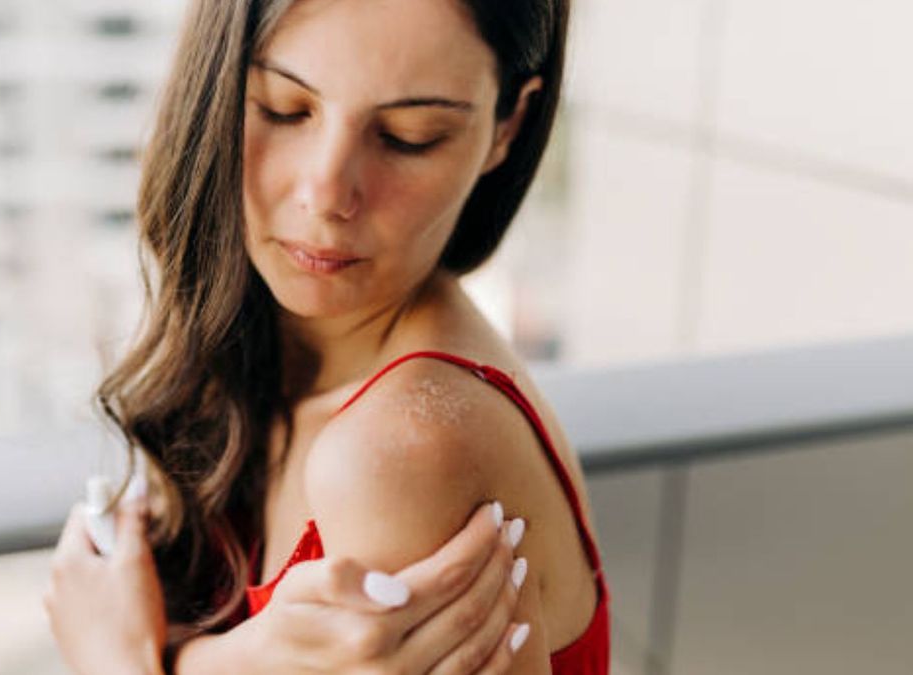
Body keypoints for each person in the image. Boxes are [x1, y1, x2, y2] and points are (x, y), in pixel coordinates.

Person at [43, 0, 609, 672]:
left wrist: (116, 661)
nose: (326, 193)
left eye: (408, 136)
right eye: (283, 108)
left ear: (506, 127)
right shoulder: (266, 341)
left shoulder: (397, 454)